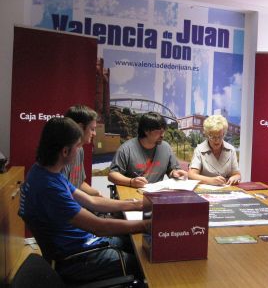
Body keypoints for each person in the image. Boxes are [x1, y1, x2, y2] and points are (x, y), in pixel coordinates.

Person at [19, 117, 147, 283]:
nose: (80, 150)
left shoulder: (45, 172)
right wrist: (147, 225)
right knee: (142, 262)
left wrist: (137, 204)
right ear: (65, 151)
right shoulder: (49, 187)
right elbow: (98, 227)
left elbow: (92, 201)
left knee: (133, 241)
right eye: (78, 146)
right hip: (76, 257)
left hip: (81, 243)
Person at [108, 112, 187, 188]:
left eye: (164, 132)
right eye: (159, 132)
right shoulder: (126, 149)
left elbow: (171, 170)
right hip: (132, 194)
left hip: (157, 194)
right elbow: (112, 175)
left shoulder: (166, 147)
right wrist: (131, 181)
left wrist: (174, 173)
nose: (162, 135)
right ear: (146, 131)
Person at [188, 114, 241, 186]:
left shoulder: (231, 150)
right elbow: (191, 175)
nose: (217, 141)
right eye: (213, 137)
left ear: (224, 134)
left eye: (220, 136)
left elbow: (237, 174)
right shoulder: (199, 150)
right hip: (204, 192)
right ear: (207, 135)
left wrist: (235, 177)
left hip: (226, 190)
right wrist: (210, 180)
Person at [61, 105, 101, 197]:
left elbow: (79, 184)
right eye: (92, 129)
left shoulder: (80, 149)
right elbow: (64, 193)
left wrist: (98, 195)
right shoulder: (61, 155)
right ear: (79, 127)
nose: (94, 133)